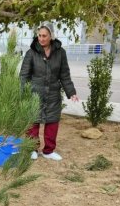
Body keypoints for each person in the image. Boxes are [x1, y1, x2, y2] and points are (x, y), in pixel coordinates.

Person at [19, 22, 79, 161]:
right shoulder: (31, 52)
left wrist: (71, 92)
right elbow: (23, 76)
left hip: (53, 94)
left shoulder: (60, 53)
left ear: (51, 36)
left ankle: (48, 151)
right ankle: (31, 149)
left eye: (44, 36)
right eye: (39, 35)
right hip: (34, 93)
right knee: (33, 123)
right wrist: (22, 93)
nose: (41, 38)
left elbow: (64, 75)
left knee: (52, 122)